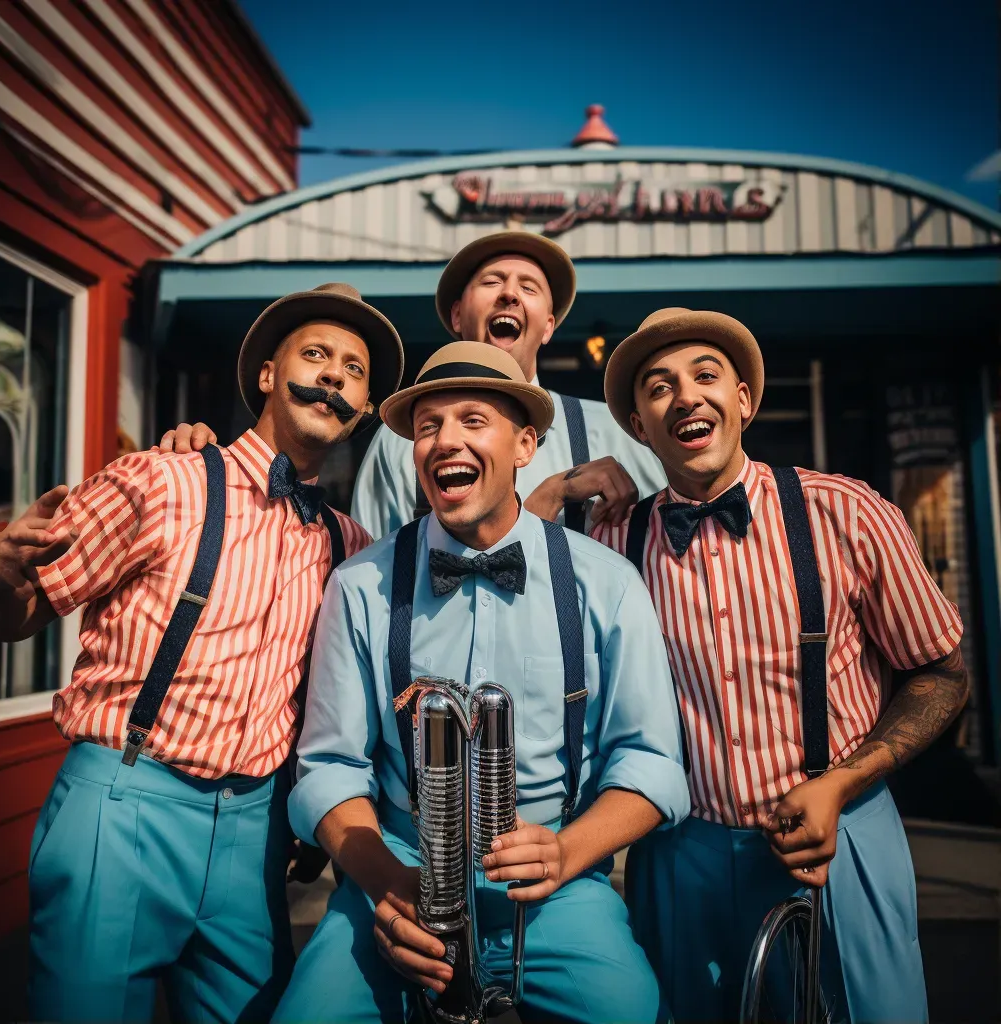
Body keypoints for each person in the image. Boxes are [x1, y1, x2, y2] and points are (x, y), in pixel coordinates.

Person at [0, 283, 403, 1023]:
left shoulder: (352, 547)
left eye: (354, 369)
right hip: (125, 806)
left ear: (363, 407)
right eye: (316, 355)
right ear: (268, 375)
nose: (334, 374)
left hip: (257, 834)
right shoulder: (161, 479)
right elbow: (18, 613)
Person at [272, 341, 690, 1024]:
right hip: (397, 868)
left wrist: (567, 851)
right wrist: (388, 884)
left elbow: (651, 765)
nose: (445, 441)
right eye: (429, 425)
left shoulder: (606, 582)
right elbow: (328, 771)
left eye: (472, 420)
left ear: (525, 445)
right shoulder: (360, 586)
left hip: (557, 888)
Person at [592, 306, 969, 1023]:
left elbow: (942, 674)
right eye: (659, 386)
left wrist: (845, 782)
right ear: (639, 424)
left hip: (844, 833)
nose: (686, 396)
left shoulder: (847, 513)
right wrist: (551, 496)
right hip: (679, 853)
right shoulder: (611, 540)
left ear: (743, 400)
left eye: (707, 376)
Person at [161, 232, 667, 537]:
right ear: (455, 315)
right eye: (491, 282)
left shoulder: (610, 431)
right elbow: (377, 569)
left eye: (528, 287)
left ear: (549, 325)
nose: (510, 294)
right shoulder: (401, 439)